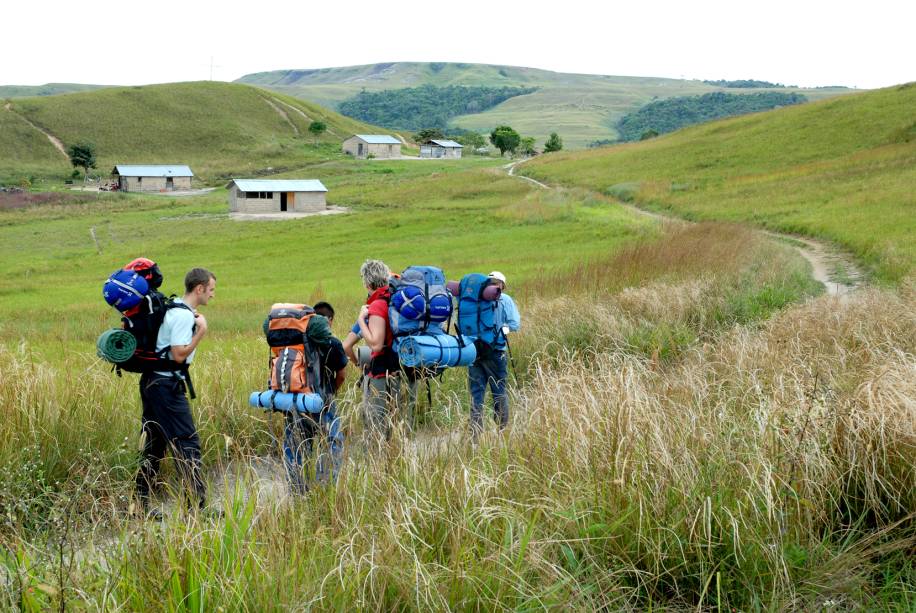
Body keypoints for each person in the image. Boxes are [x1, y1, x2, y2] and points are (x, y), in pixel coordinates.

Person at [135, 267, 215, 517]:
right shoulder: (182, 316)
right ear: (199, 288)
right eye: (211, 290)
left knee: (154, 445)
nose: (213, 295)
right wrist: (201, 331)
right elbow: (179, 354)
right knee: (187, 442)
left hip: (153, 383)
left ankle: (138, 506)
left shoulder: (175, 308)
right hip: (166, 387)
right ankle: (196, 509)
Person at [342, 259, 417, 441]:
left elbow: (375, 344)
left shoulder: (377, 305)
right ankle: (402, 464)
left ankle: (380, 464)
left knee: (377, 427)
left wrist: (361, 320)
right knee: (402, 427)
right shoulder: (400, 300)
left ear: (367, 283)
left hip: (383, 373)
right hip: (408, 369)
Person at [282, 301, 347, 492]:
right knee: (333, 442)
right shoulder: (332, 342)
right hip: (322, 401)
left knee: (296, 447)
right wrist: (331, 392)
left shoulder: (292, 340)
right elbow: (341, 375)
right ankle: (325, 487)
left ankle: (298, 491)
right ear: (330, 320)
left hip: (293, 401)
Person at [469, 271, 520, 435]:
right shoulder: (505, 299)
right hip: (496, 352)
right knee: (499, 390)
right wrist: (503, 331)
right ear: (502, 285)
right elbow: (514, 324)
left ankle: (476, 434)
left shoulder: (476, 300)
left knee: (476, 393)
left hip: (474, 351)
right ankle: (501, 431)